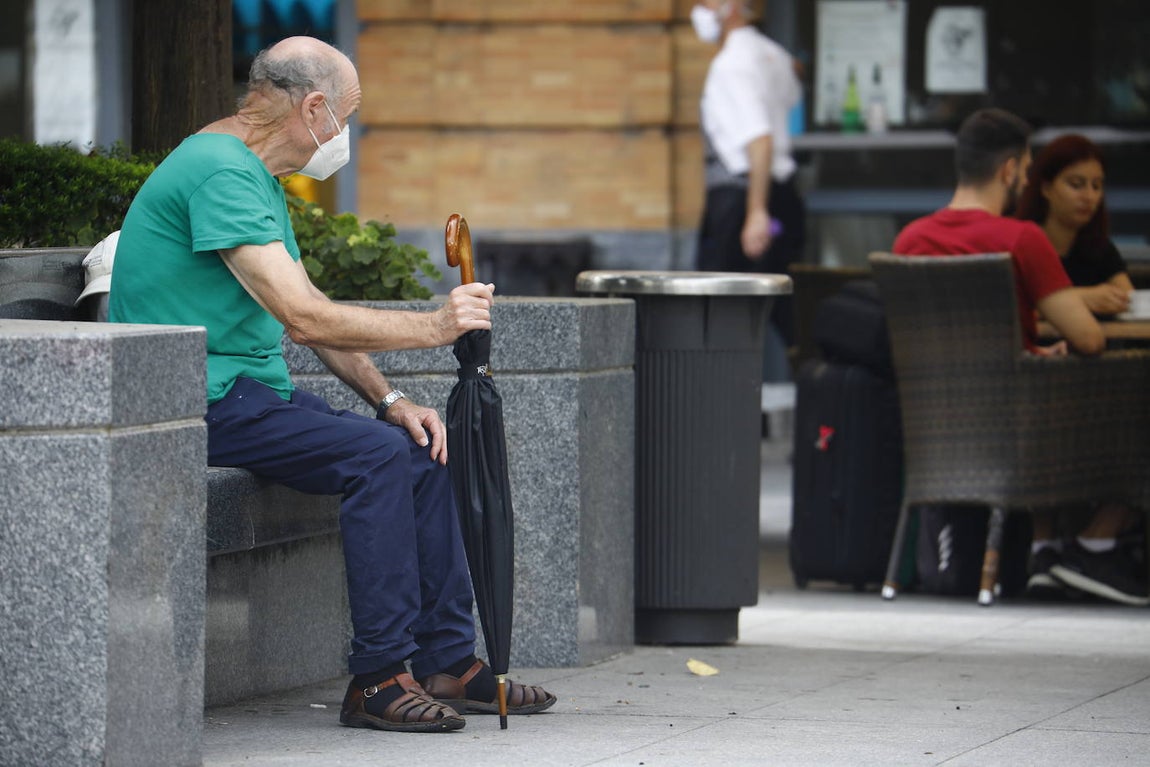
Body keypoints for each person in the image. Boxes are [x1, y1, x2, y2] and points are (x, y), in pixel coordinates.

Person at [109, 36, 555, 732]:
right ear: (314, 109)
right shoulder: (219, 173)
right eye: (345, 117)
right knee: (376, 457)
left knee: (419, 448)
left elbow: (309, 311)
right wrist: (437, 326)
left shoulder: (250, 171)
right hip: (192, 399)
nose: (344, 134)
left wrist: (392, 400)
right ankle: (378, 677)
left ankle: (446, 661)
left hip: (247, 393)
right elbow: (304, 317)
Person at [894, 108, 1147, 606]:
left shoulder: (910, 240)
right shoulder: (1020, 239)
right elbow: (1089, 340)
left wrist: (1031, 350)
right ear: (1009, 170)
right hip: (1023, 427)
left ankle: (1047, 547)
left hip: (936, 427)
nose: (1027, 179)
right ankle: (1096, 543)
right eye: (1027, 169)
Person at [1014, 134, 1146, 605]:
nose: (1089, 196)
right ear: (1045, 186)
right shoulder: (1024, 241)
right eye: (1076, 184)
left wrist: (1081, 301)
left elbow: (1124, 296)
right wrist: (1084, 299)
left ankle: (1083, 545)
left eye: (1097, 185)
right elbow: (1025, 310)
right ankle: (1054, 546)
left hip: (1096, 381)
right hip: (1037, 382)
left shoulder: (1098, 250)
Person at [692, 0, 805, 350]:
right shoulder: (775, 55)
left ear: (732, 7)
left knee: (718, 315)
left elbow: (760, 141)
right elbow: (793, 89)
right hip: (782, 193)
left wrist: (756, 212)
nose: (699, 10)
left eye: (705, 1)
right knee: (782, 310)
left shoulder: (730, 65)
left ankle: (723, 386)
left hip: (742, 199)